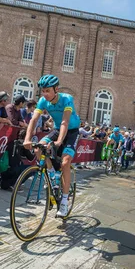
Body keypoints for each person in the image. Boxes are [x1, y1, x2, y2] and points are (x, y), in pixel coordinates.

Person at [24, 74, 81, 218]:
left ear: (56, 89)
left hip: (71, 131)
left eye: (47, 90)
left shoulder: (67, 99)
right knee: (38, 147)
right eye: (43, 91)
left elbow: (65, 122)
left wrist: (59, 141)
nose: (44, 94)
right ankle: (51, 173)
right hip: (56, 130)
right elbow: (33, 120)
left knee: (65, 162)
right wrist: (27, 139)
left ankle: (64, 202)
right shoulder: (43, 101)